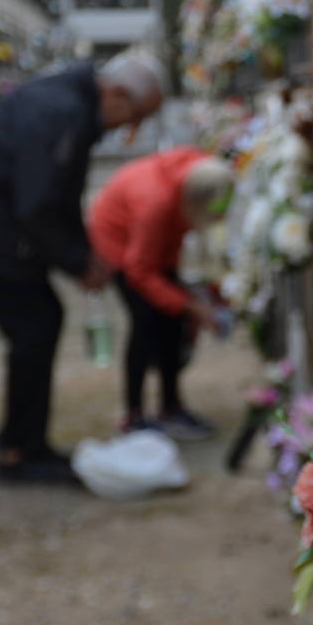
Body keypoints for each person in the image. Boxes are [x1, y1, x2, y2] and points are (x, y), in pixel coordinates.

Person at [0, 50, 166, 485]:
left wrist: (85, 253)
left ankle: (21, 440)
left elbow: (61, 196)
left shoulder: (73, 105)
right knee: (35, 325)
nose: (130, 130)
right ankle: (19, 453)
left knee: (39, 322)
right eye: (136, 116)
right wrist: (76, 262)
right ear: (118, 95)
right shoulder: (62, 109)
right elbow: (36, 204)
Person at [88, 148, 234, 441]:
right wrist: (190, 305)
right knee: (145, 325)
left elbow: (169, 247)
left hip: (151, 248)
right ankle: (134, 415)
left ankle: (170, 407)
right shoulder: (154, 203)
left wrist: (193, 300)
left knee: (172, 320)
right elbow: (140, 271)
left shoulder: (195, 172)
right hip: (121, 250)